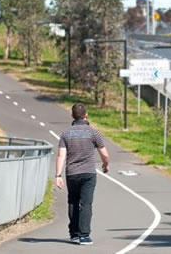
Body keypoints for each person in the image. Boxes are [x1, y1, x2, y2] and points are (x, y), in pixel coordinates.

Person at [55, 103, 109, 245]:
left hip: (72, 173)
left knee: (73, 202)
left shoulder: (66, 133)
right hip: (88, 173)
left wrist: (58, 175)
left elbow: (61, 155)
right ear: (86, 115)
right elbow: (104, 153)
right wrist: (105, 164)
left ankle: (74, 234)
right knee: (86, 204)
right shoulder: (93, 132)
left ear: (72, 115)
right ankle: (84, 235)